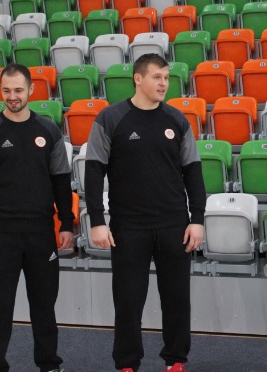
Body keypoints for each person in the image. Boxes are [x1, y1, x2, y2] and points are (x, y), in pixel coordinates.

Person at [84, 53, 205, 372]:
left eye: (166, 77)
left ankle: (176, 360)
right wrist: (97, 221)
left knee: (177, 299)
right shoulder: (110, 118)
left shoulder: (177, 120)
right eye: (157, 77)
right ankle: (127, 363)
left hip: (173, 223)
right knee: (128, 301)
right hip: (128, 226)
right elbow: (94, 171)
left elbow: (193, 171)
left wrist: (197, 219)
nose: (164, 83)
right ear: (138, 79)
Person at [0, 63, 74, 372]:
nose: (12, 96)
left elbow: (61, 182)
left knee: (44, 307)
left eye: (18, 90)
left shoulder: (49, 131)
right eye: (6, 90)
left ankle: (49, 364)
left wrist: (66, 225)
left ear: (31, 90)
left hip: (41, 234)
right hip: (1, 236)